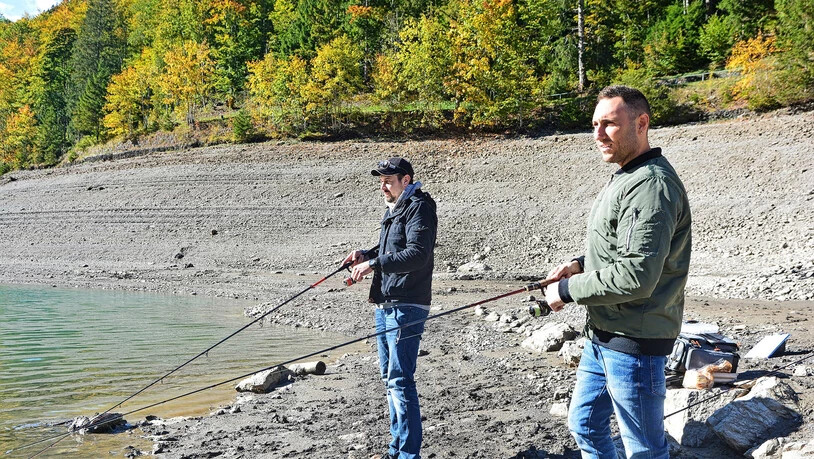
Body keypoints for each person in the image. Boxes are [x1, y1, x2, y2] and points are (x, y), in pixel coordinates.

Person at [543, 85, 692, 458]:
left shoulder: (651, 186)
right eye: (595, 124)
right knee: (586, 425)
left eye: (609, 124)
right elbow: (618, 246)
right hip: (604, 335)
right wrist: (579, 264)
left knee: (643, 449)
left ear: (641, 123)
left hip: (635, 343)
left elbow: (636, 276)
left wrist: (567, 290)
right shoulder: (629, 175)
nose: (597, 135)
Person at [343, 157, 438, 459]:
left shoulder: (420, 207)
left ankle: (409, 455)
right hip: (385, 304)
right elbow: (391, 249)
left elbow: (417, 255)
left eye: (388, 180)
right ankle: (395, 450)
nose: (382, 186)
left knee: (400, 379)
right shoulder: (395, 208)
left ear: (406, 180)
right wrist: (365, 254)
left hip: (407, 304)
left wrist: (373, 264)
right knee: (390, 379)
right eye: (380, 181)